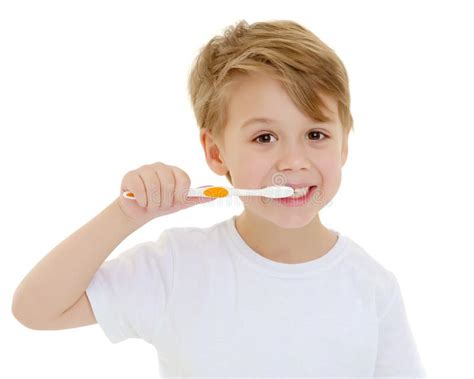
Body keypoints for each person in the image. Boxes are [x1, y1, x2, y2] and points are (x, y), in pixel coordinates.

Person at [12, 19, 427, 377]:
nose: (295, 161)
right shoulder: (177, 267)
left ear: (344, 145)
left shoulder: (372, 288)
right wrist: (126, 215)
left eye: (316, 135)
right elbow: (36, 310)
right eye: (264, 137)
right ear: (215, 152)